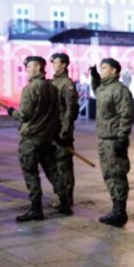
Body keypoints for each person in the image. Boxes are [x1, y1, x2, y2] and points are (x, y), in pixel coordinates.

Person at [7, 56, 59, 221]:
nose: (27, 69)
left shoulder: (30, 89)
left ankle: (36, 208)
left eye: (29, 66)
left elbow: (25, 114)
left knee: (30, 172)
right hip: (47, 137)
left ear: (38, 67)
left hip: (31, 138)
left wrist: (12, 113)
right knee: (51, 170)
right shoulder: (53, 88)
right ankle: (64, 201)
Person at [90, 58, 134, 226]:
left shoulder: (119, 90)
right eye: (100, 68)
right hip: (103, 139)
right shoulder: (104, 88)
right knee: (108, 174)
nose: (101, 70)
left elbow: (126, 115)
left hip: (114, 139)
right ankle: (116, 207)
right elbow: (98, 92)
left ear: (114, 71)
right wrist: (94, 77)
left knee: (117, 174)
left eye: (104, 68)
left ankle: (120, 211)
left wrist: (122, 138)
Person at [49, 52, 78, 214]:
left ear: (64, 65)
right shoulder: (53, 83)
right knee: (55, 165)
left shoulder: (67, 84)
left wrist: (65, 132)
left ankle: (67, 199)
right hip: (52, 131)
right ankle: (61, 197)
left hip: (61, 132)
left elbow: (70, 110)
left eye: (56, 63)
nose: (53, 65)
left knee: (64, 166)